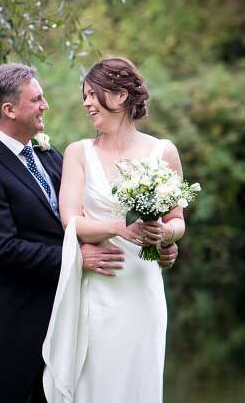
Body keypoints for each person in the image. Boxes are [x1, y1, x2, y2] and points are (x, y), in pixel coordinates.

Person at [0, 63, 179, 403]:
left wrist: (163, 239)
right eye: (36, 100)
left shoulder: (48, 154)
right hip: (23, 314)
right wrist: (75, 256)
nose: (45, 105)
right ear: (9, 110)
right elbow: (4, 249)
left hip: (79, 302)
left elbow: (82, 210)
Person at [43, 57, 186, 403]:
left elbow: (178, 221)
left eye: (93, 95)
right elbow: (71, 221)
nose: (87, 103)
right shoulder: (79, 153)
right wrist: (119, 228)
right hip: (100, 292)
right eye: (85, 96)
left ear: (120, 96)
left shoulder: (162, 151)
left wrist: (164, 236)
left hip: (142, 292)